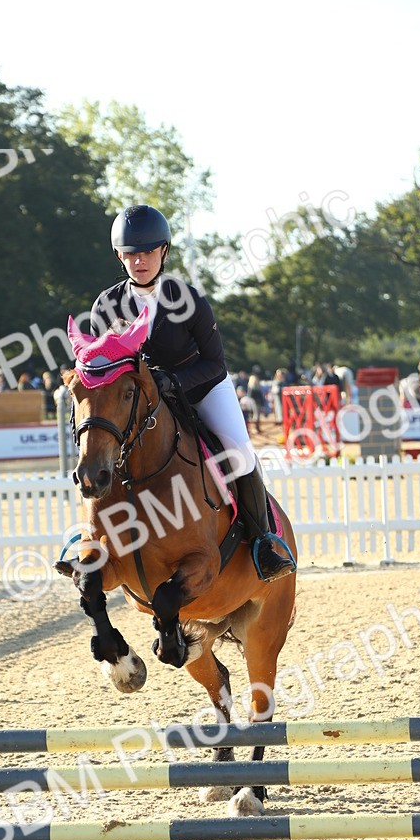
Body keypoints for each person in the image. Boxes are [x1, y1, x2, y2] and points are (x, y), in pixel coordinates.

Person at [88, 204, 295, 582]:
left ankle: (264, 542)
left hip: (200, 389)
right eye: (132, 253)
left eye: (149, 252)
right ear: (119, 255)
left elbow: (216, 364)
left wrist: (172, 382)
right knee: (102, 454)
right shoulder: (106, 306)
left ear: (163, 252)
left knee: (238, 453)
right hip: (138, 404)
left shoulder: (187, 300)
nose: (140, 261)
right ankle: (92, 539)